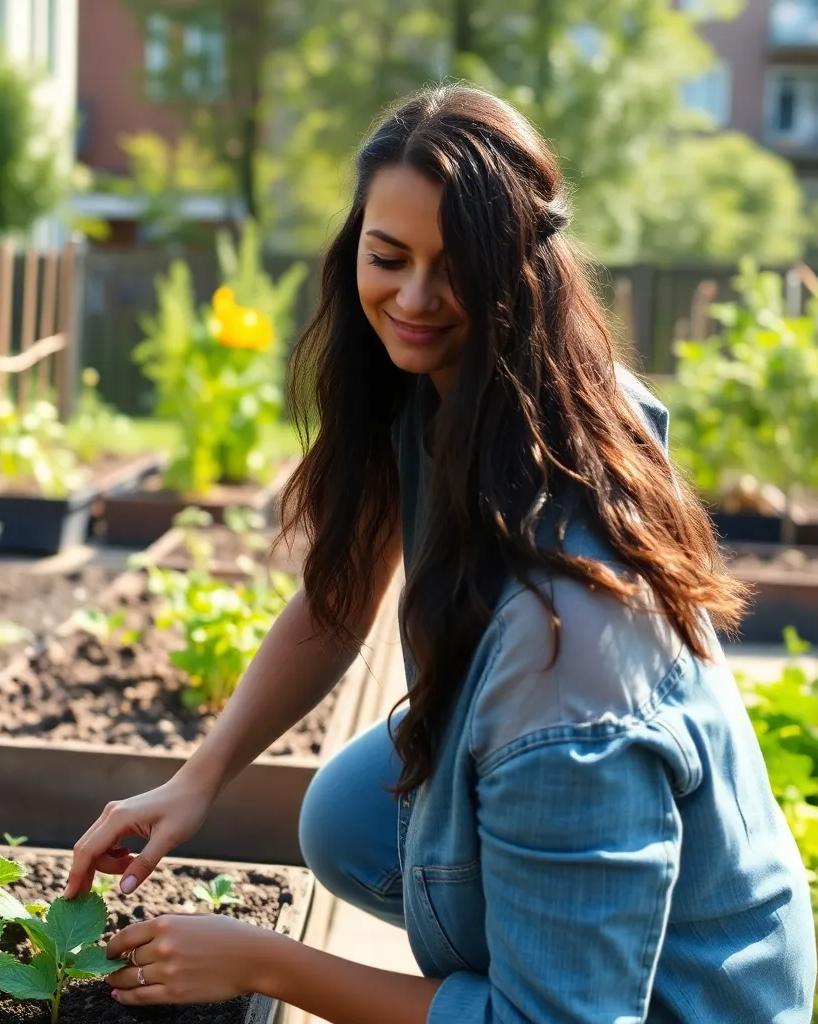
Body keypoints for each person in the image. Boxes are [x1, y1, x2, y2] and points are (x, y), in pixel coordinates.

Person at [65, 84, 817, 1022]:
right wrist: (197, 780)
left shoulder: (570, 650)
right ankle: (539, 932)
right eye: (389, 257)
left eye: (454, 268)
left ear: (520, 275)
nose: (413, 299)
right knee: (350, 812)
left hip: (687, 1000)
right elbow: (343, 591)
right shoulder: (463, 386)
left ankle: (535, 953)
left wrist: (267, 964)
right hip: (596, 845)